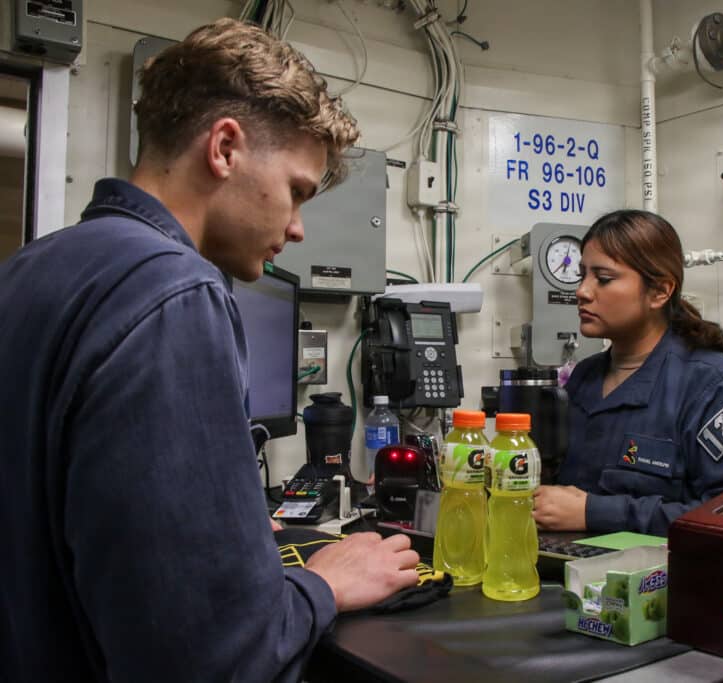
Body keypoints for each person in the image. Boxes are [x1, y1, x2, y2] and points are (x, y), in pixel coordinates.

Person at [0, 19, 420, 683]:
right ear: (225, 147)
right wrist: (323, 584)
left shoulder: (30, 268)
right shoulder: (174, 291)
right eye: (297, 190)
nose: (297, 227)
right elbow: (208, 655)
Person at [532, 210, 723, 536]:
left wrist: (596, 512)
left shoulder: (714, 387)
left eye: (602, 278)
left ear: (660, 291)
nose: (582, 291)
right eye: (581, 275)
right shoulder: (585, 378)